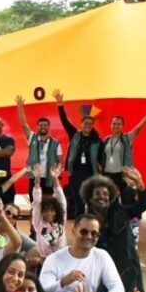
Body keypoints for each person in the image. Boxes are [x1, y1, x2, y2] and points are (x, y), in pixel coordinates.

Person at [82, 171, 146, 292]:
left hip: (127, 270)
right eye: (98, 193)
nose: (103, 197)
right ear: (89, 198)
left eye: (106, 194)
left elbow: (143, 204)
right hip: (101, 274)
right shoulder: (85, 221)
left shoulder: (120, 212)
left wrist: (140, 186)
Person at [53, 89, 101, 217]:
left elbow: (101, 158)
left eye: (90, 124)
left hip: (91, 173)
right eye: (86, 123)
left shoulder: (97, 140)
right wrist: (60, 105)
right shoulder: (74, 134)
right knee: (79, 202)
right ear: (81, 124)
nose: (88, 125)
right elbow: (64, 121)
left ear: (93, 125)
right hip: (76, 174)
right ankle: (79, 225)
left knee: (91, 202)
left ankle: (92, 226)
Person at [99, 107, 146, 188]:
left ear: (122, 126)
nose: (116, 126)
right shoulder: (106, 140)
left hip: (123, 175)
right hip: (108, 175)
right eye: (114, 123)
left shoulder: (126, 138)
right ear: (111, 125)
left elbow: (138, 129)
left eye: (119, 124)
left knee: (126, 197)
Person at [15, 94, 62, 196]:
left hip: (49, 179)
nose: (43, 127)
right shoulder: (32, 138)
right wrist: (20, 108)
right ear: (37, 127)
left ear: (49, 127)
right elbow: (24, 124)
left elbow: (60, 161)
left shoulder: (56, 143)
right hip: (34, 177)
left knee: (48, 206)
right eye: (41, 125)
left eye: (45, 125)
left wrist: (56, 173)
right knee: (34, 205)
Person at [30, 163, 67, 258]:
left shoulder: (61, 221)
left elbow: (60, 198)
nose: (49, 213)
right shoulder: (38, 223)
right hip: (43, 260)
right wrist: (37, 179)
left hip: (61, 259)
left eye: (52, 210)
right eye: (45, 210)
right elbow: (37, 201)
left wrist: (55, 179)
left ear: (57, 211)